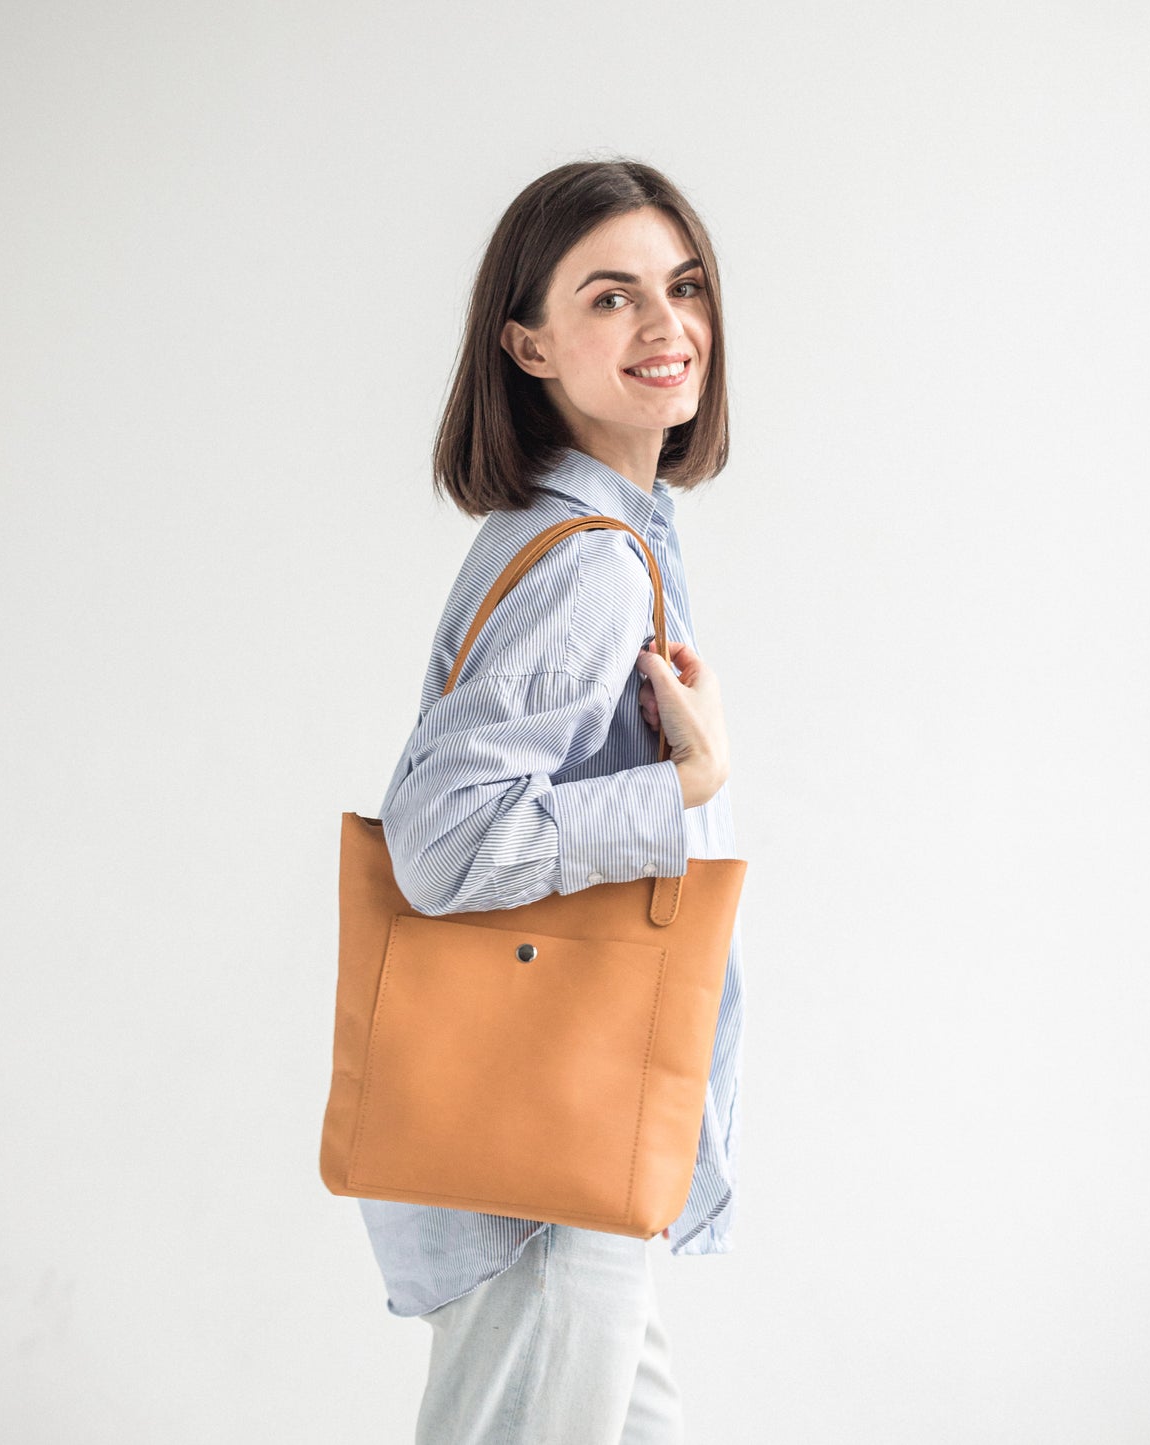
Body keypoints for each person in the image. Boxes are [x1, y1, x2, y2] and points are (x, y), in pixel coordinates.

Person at [359, 156, 746, 1444]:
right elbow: (442, 846)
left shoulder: (600, 540)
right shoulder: (586, 566)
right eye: (609, 298)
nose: (665, 327)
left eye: (682, 288)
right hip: (548, 1151)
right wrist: (681, 789)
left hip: (576, 1140)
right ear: (527, 346)